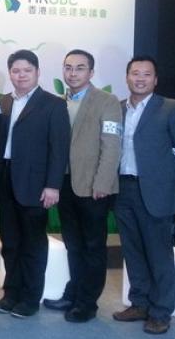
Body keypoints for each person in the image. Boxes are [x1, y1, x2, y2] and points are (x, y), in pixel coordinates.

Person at [113, 56, 175, 334]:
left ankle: (161, 311)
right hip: (123, 189)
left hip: (155, 192)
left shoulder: (171, 108)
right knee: (132, 250)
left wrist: (164, 181)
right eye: (135, 73)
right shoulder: (118, 108)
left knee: (159, 254)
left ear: (155, 80)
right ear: (127, 77)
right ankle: (139, 303)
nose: (140, 78)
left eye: (146, 74)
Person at [43, 50, 122, 322]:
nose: (73, 73)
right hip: (65, 185)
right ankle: (73, 293)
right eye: (68, 67)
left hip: (94, 186)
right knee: (73, 245)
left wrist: (103, 182)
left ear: (91, 72)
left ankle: (88, 303)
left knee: (93, 247)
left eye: (80, 68)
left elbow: (112, 145)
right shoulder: (60, 102)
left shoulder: (107, 101)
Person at [0, 49, 70, 318]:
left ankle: (29, 298)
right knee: (10, 242)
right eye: (16, 71)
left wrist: (53, 185)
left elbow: (59, 148)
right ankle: (11, 293)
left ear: (38, 72)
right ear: (10, 73)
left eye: (27, 70)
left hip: (36, 185)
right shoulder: (4, 101)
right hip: (5, 179)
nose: (21, 75)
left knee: (33, 244)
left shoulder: (53, 104)